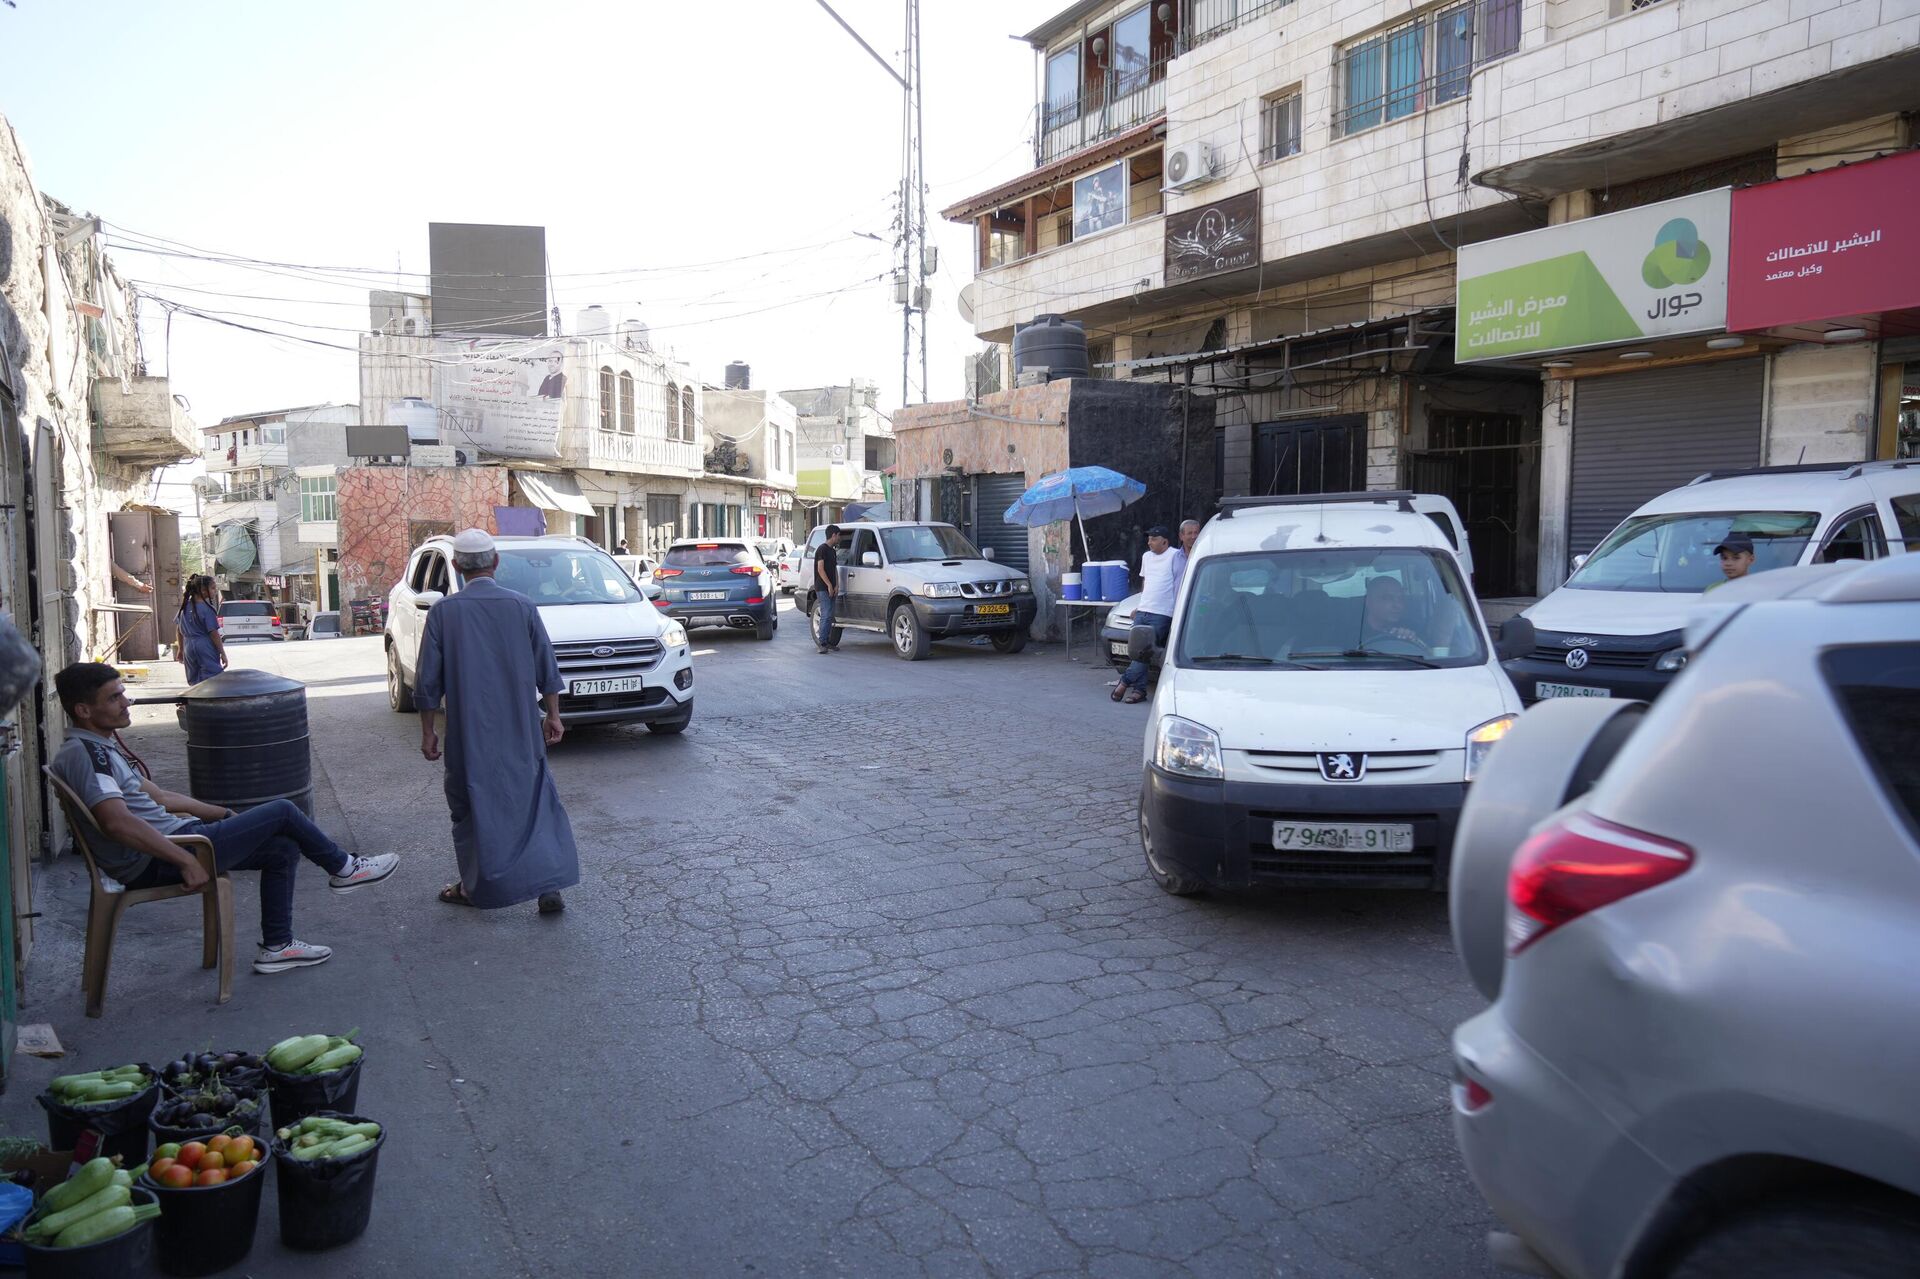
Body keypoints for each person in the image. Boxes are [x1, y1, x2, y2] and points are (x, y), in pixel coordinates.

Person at [51, 662, 397, 974]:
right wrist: (184, 862)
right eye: (114, 698)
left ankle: (277, 947)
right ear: (83, 710)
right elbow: (117, 823)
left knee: (281, 849)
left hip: (180, 840)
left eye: (123, 693)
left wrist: (223, 813)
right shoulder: (88, 756)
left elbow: (160, 797)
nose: (126, 703)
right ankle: (345, 868)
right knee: (282, 810)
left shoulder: (97, 747)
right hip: (164, 855)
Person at [415, 528, 580, 915]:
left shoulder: (444, 612)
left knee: (470, 805)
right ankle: (548, 884)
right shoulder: (521, 606)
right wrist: (553, 715)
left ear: (456, 566)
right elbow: (547, 666)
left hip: (468, 734)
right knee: (534, 801)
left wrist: (428, 732)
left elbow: (426, 682)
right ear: (497, 563)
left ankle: (476, 888)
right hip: (521, 728)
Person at [1114, 526, 1185, 705]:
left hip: (1162, 612)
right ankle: (1139, 691)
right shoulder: (1146, 557)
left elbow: (1179, 584)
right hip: (1144, 610)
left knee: (1145, 651)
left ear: (1165, 541)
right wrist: (1139, 605)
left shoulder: (1175, 556)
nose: (1149, 542)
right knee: (1138, 651)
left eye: (1154, 538)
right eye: (1149, 538)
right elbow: (1146, 582)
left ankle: (1124, 681)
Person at [174, 575, 226, 685]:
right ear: (203, 590)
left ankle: (195, 699)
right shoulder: (207, 609)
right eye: (212, 588)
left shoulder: (184, 607)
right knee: (212, 678)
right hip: (204, 645)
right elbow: (213, 633)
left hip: (188, 646)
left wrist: (181, 648)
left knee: (194, 678)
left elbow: (179, 629)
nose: (215, 591)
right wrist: (222, 653)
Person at [1359, 576, 1426, 651]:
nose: (1398, 605)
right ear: (1369, 602)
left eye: (1401, 598)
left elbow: (1431, 656)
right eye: (1387, 598)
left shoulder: (1413, 628)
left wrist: (1414, 641)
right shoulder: (1355, 634)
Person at [813, 525, 842, 655]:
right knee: (825, 614)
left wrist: (836, 585)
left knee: (830, 615)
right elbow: (820, 569)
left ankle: (828, 641)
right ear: (833, 535)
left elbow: (834, 569)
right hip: (822, 588)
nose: (839, 538)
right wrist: (829, 585)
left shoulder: (833, 551)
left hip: (832, 587)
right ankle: (822, 643)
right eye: (838, 535)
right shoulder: (822, 550)